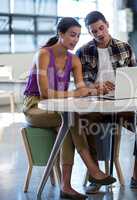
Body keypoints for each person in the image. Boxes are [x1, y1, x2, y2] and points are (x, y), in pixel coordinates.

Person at [22, 17, 116, 200]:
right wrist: (77, 93)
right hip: (35, 106)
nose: (75, 40)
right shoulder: (43, 54)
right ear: (60, 34)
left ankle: (66, 186)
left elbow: (81, 88)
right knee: (71, 120)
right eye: (72, 35)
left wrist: (94, 88)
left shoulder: (73, 60)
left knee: (68, 124)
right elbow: (45, 93)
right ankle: (92, 169)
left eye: (78, 36)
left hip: (58, 107)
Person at [76, 11, 137, 193]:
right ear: (89, 33)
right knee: (84, 125)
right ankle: (96, 177)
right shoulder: (83, 51)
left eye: (101, 28)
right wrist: (96, 86)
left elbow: (136, 74)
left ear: (107, 24)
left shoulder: (124, 47)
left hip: (120, 104)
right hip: (95, 104)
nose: (99, 33)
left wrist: (128, 87)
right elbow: (80, 82)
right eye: (93, 31)